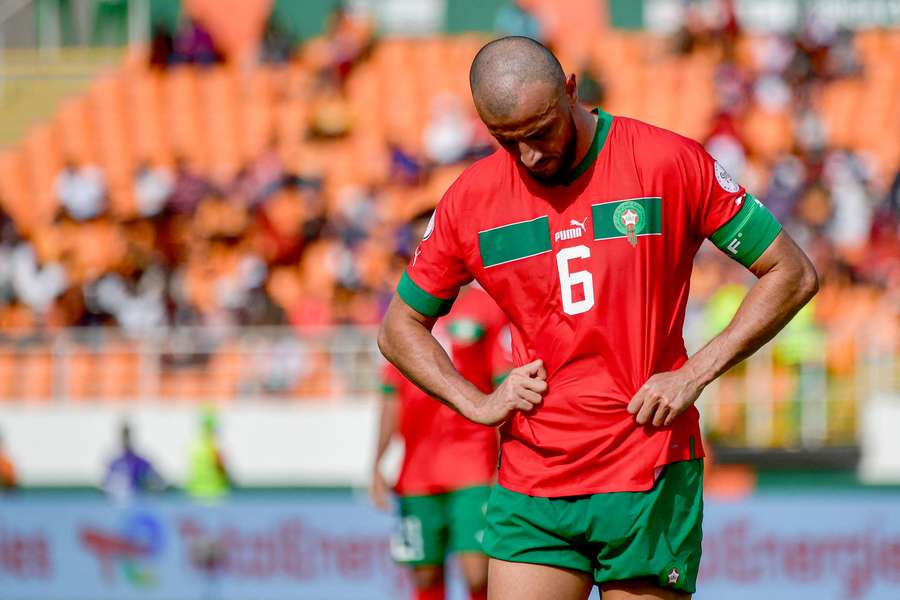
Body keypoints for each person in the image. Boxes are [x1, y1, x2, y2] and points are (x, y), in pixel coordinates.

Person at [378, 36, 818, 600]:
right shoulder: (471, 199)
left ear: (570, 89)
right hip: (532, 477)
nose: (530, 154)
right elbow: (398, 328)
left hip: (648, 465)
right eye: (508, 140)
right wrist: (476, 402)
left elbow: (792, 272)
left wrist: (694, 373)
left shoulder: (666, 161)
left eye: (540, 130)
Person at [371, 212, 510, 600]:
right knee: (425, 575)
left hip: (473, 463)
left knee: (477, 570)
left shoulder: (486, 309)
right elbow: (390, 396)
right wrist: (377, 461)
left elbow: (503, 388)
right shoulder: (400, 316)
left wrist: (505, 459)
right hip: (416, 470)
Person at [102, 421, 165, 503]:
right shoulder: (115, 463)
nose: (125, 441)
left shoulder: (140, 461)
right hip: (118, 507)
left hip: (138, 504)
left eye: (127, 437)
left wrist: (149, 488)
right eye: (123, 437)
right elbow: (106, 486)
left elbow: (158, 481)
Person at [186, 409, 231, 500]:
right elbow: (222, 468)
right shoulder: (214, 447)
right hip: (214, 494)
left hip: (195, 493)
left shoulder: (193, 446)